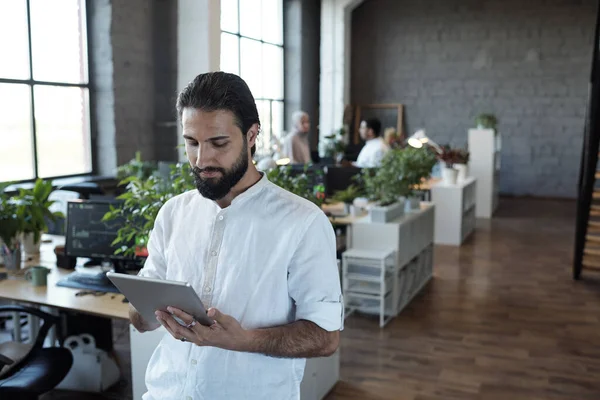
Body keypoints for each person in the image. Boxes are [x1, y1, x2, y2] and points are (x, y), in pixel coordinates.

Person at [129, 71, 343, 400]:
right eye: (192, 143)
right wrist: (145, 315)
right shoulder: (173, 213)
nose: (202, 159)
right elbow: (142, 311)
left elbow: (326, 337)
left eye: (218, 143)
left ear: (252, 134)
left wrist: (243, 340)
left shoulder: (303, 223)